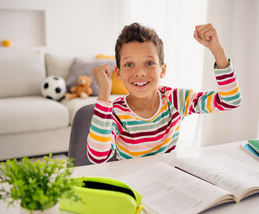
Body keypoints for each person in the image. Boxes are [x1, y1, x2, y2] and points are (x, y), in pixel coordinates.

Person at [88, 22, 241, 164]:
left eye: (149, 63)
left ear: (162, 70)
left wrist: (218, 50)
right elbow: (98, 157)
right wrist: (104, 93)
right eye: (129, 64)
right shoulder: (115, 112)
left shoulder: (176, 100)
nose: (140, 72)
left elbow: (230, 101)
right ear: (119, 73)